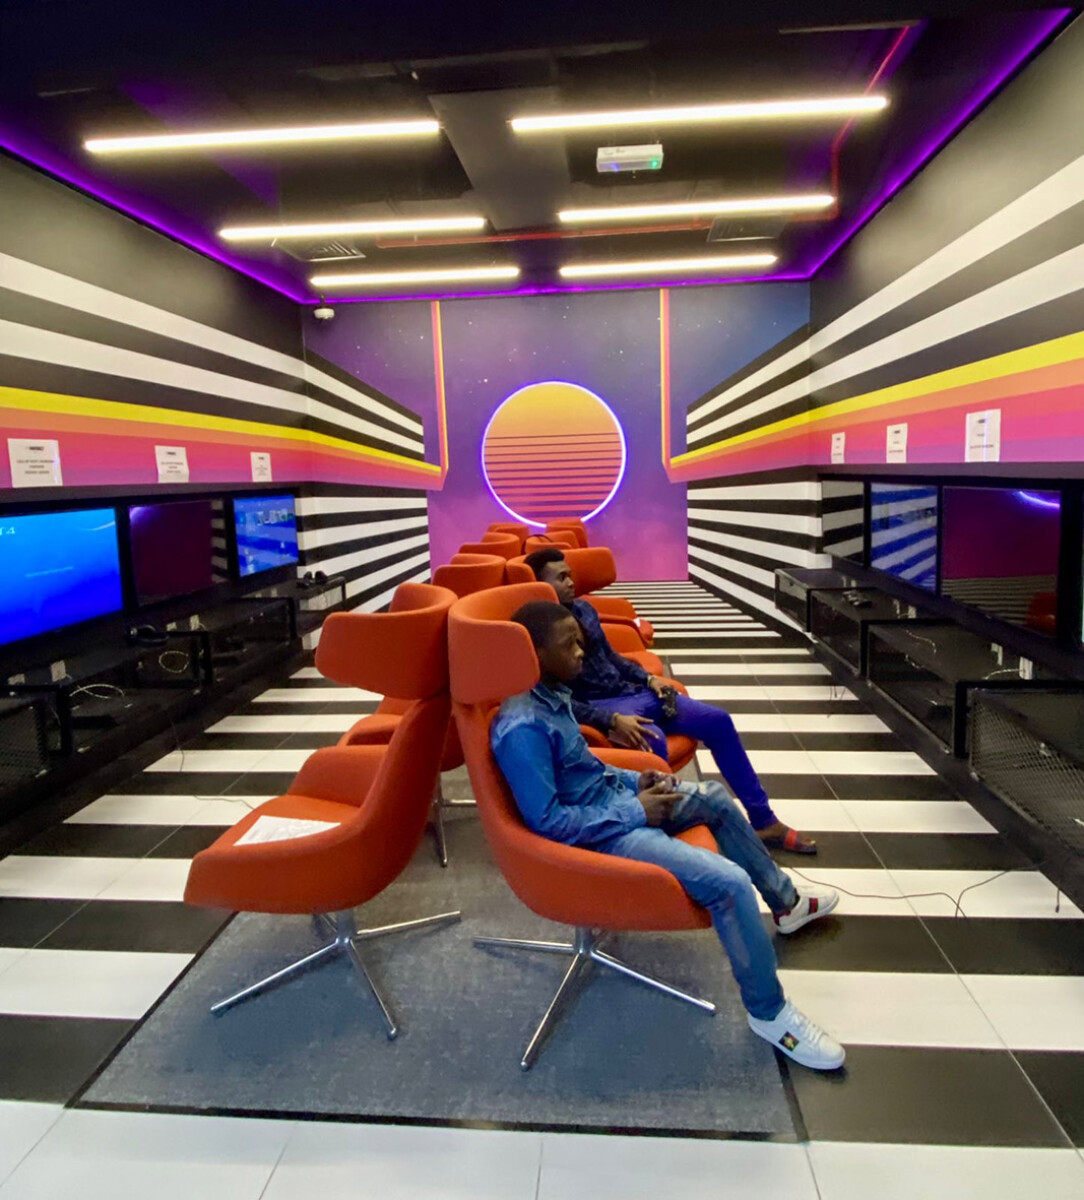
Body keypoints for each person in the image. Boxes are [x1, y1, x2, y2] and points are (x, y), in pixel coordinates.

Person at [491, 600, 844, 1071]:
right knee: (729, 884)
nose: (581, 652)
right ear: (533, 654)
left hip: (615, 803)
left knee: (714, 798)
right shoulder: (522, 726)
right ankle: (770, 1014)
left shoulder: (552, 698)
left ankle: (786, 904)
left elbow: (585, 769)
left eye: (579, 640)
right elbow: (550, 822)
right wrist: (636, 810)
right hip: (601, 837)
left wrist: (635, 782)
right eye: (569, 644)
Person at [523, 547, 816, 854]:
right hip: (605, 707)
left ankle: (764, 820)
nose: (571, 582)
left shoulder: (585, 610)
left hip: (631, 692)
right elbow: (556, 701)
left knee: (718, 721)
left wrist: (648, 679)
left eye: (570, 575)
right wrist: (610, 720)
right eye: (561, 578)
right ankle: (671, 832)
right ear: (540, 585)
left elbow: (613, 658)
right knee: (655, 743)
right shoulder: (540, 640)